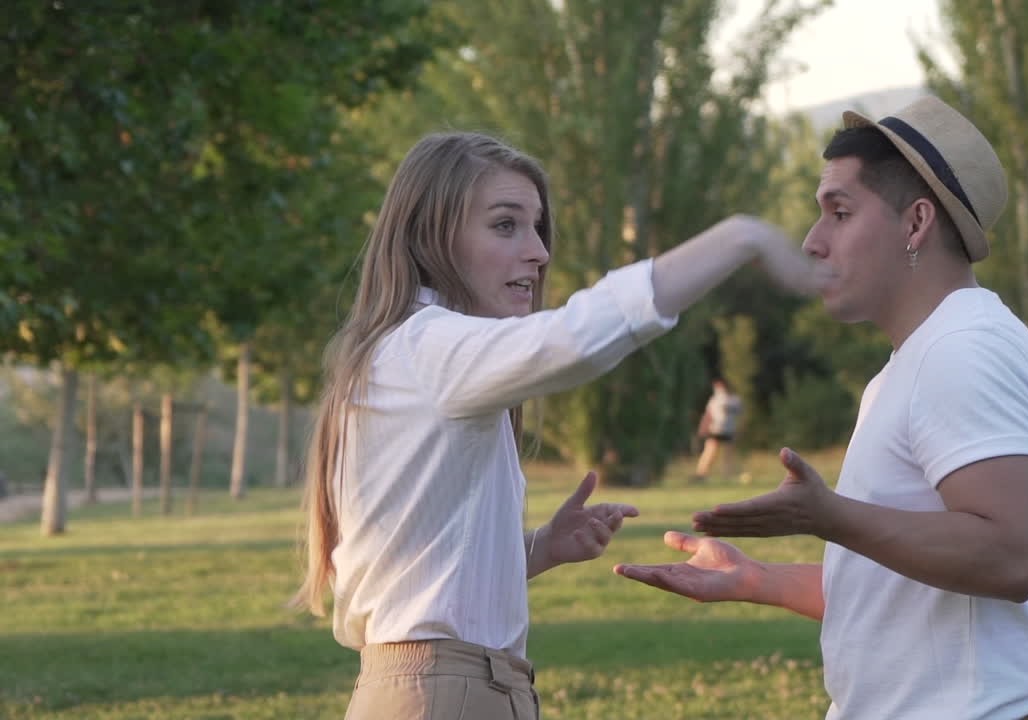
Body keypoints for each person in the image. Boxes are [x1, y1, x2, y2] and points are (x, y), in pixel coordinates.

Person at [290, 131, 828, 720]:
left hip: (446, 689)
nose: (539, 252)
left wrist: (541, 548)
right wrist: (741, 236)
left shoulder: (413, 355)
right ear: (430, 237)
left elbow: (418, 567)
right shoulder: (427, 347)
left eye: (536, 228)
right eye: (505, 225)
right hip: (443, 695)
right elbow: (576, 337)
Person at [616, 96, 1028, 720]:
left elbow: (1011, 557)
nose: (812, 241)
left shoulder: (963, 350)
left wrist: (828, 516)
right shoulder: (922, 357)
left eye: (839, 212)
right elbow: (901, 588)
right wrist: (757, 579)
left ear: (916, 224)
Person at [694, 378, 743, 482]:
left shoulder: (735, 400)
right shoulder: (715, 400)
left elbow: (740, 415)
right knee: (710, 452)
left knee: (728, 454)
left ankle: (728, 476)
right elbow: (708, 415)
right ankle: (701, 474)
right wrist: (703, 427)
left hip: (729, 430)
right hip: (715, 429)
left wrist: (739, 430)